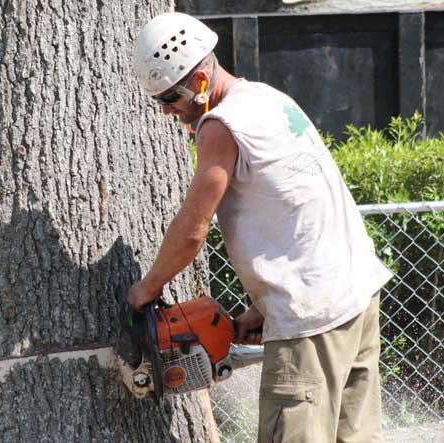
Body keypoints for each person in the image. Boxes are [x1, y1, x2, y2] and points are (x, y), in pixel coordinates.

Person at [125, 12, 394, 443]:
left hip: (312, 321)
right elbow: (298, 207)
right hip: (355, 296)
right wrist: (264, 308)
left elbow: (191, 231)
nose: (165, 111)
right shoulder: (268, 98)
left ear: (197, 82)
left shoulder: (220, 126)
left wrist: (146, 290)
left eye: (169, 98)